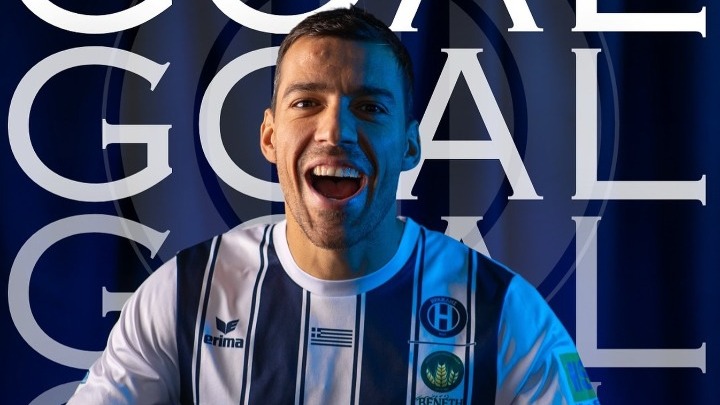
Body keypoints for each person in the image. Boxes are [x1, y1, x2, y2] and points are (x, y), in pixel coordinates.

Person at [69, 7, 599, 404]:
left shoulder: (506, 312)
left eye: (368, 107)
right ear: (270, 137)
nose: (335, 131)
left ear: (409, 145)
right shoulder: (185, 294)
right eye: (306, 103)